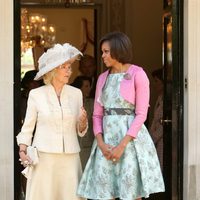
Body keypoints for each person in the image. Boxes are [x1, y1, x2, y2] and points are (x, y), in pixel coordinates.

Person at [77, 32, 165, 200]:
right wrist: (101, 143)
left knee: (131, 194)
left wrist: (122, 145)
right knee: (104, 193)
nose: (102, 56)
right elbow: (96, 115)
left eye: (106, 51)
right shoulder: (102, 78)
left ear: (118, 51)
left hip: (130, 141)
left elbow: (141, 114)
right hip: (106, 142)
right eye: (102, 51)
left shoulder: (138, 73)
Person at [16, 43, 88, 200]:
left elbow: (80, 130)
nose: (69, 71)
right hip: (44, 157)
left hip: (70, 158)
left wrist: (82, 122)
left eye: (70, 67)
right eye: (65, 67)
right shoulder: (36, 95)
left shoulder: (76, 94)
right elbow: (27, 128)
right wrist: (22, 151)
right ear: (53, 70)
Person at [71, 76, 95, 169]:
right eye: (86, 86)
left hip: (88, 143)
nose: (89, 89)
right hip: (74, 143)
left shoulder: (92, 103)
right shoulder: (72, 103)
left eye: (89, 86)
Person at [149, 68, 164, 171]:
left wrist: (152, 138)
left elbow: (162, 123)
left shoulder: (167, 101)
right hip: (155, 139)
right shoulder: (160, 97)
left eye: (156, 81)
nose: (154, 84)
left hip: (161, 140)